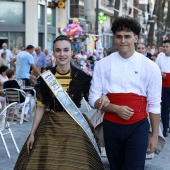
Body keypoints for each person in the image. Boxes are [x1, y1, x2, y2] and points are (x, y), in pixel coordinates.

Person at [14, 35, 104, 170]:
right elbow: (40, 107)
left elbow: (93, 101)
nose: (62, 54)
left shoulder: (82, 77)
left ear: (72, 52)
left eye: (66, 50)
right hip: (48, 127)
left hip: (74, 126)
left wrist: (104, 98)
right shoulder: (45, 78)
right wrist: (32, 133)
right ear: (54, 53)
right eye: (58, 50)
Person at [89, 17, 162, 170]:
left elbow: (154, 104)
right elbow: (92, 99)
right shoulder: (103, 65)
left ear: (136, 38)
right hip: (111, 126)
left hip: (139, 126)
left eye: (127, 36)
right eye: (119, 36)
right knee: (115, 167)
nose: (123, 40)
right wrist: (115, 108)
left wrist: (154, 135)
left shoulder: (151, 67)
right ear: (114, 38)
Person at [155, 39, 170, 137]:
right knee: (164, 108)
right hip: (164, 86)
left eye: (167, 47)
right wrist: (160, 73)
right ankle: (165, 128)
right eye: (163, 46)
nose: (165, 48)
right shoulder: (160, 56)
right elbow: (155, 69)